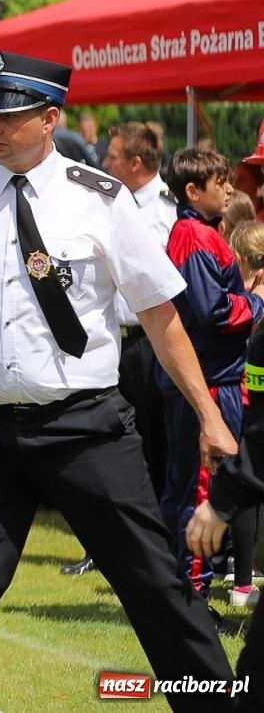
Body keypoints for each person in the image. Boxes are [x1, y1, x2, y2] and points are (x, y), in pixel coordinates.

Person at [0, 50, 239, 712]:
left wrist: (209, 415)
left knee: (156, 589)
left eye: (10, 115)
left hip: (85, 428)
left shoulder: (100, 200)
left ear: (50, 119)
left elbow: (160, 318)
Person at [63, 120, 181, 576]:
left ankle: (152, 549)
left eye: (112, 157)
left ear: (135, 162)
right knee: (111, 449)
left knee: (150, 447)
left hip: (148, 344)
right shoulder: (113, 201)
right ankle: (107, 545)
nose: (104, 163)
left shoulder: (162, 210)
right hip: (119, 345)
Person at [160, 147, 264, 600]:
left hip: (206, 376)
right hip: (209, 380)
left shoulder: (200, 231)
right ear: (192, 190)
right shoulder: (194, 236)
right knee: (202, 488)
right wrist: (256, 302)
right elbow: (213, 311)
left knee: (189, 485)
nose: (229, 189)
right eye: (220, 183)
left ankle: (181, 589)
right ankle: (193, 595)